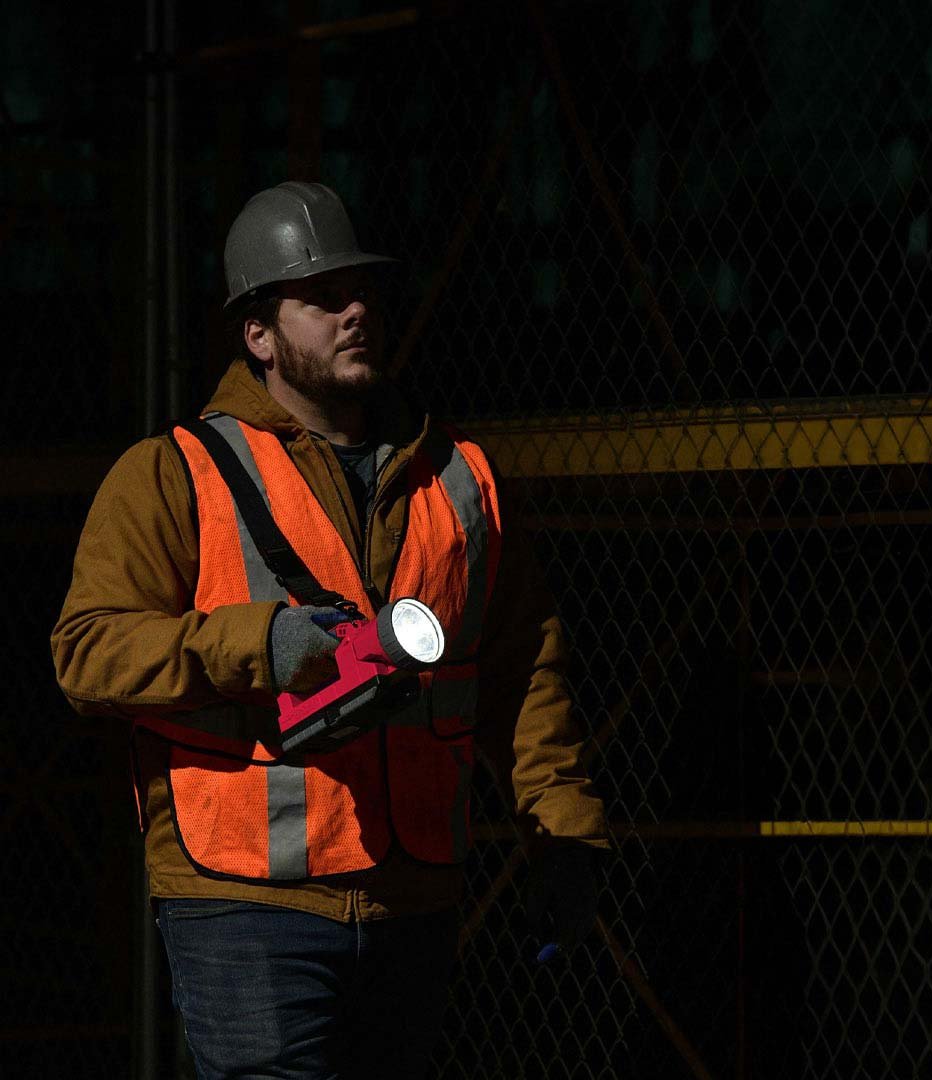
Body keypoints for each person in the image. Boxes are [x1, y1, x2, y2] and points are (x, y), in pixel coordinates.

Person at [51, 181, 608, 1079]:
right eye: (322, 296)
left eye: (364, 292)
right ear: (258, 333)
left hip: (411, 901)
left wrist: (565, 833)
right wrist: (258, 645)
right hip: (245, 903)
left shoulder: (458, 478)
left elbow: (522, 671)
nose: (357, 311)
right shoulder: (173, 474)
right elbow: (86, 652)